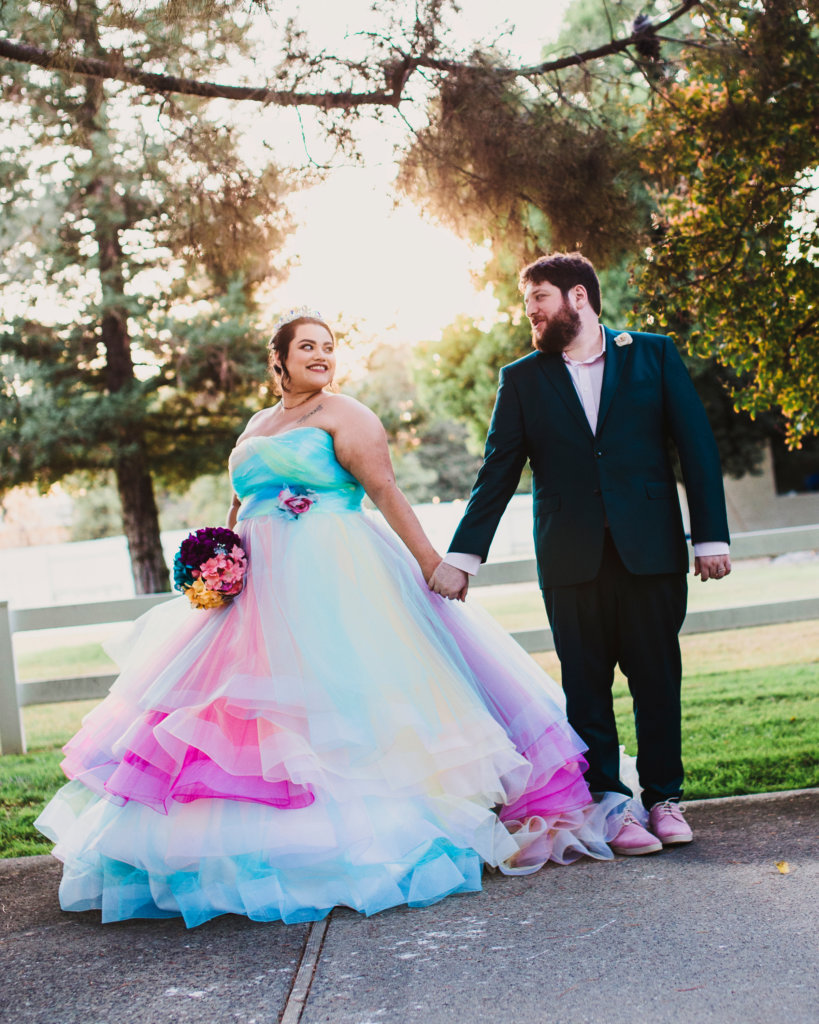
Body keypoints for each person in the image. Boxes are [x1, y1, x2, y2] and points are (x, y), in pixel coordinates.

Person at [36, 307, 626, 928]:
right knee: (241, 707)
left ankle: (373, 833)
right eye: (307, 347)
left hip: (334, 574)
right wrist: (223, 557)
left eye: (328, 347)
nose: (320, 356)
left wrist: (432, 563)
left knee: (343, 698)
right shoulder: (259, 422)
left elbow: (386, 491)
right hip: (256, 587)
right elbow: (240, 503)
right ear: (280, 360)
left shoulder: (347, 414)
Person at [430, 253, 732, 856]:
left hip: (651, 550)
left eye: (539, 299)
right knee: (586, 687)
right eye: (528, 303)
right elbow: (498, 472)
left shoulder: (653, 354)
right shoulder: (522, 378)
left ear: (578, 297)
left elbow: (696, 447)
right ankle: (614, 809)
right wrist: (463, 557)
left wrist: (711, 537)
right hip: (570, 557)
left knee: (656, 678)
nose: (532, 313)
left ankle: (664, 798)